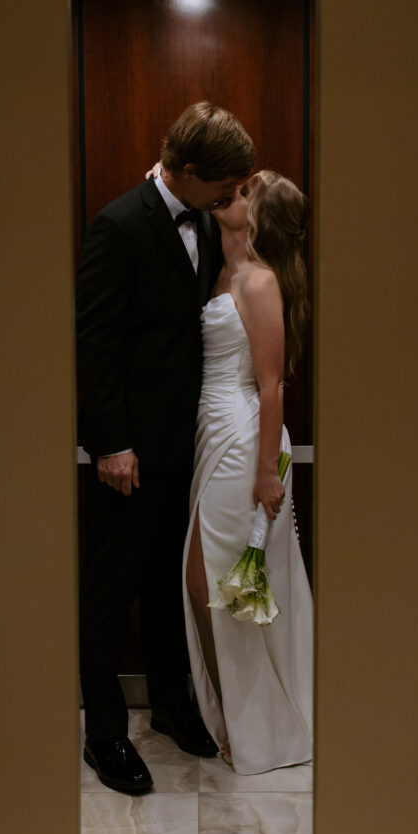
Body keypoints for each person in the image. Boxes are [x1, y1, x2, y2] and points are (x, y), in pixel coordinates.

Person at [76, 102, 256, 794]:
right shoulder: (118, 225)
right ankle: (104, 735)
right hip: (129, 454)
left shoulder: (206, 221)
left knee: (165, 584)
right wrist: (112, 444)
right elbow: (95, 343)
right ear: (185, 169)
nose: (230, 196)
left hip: (189, 444)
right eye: (223, 185)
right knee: (110, 590)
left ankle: (173, 706)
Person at [183, 169, 314, 775]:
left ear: (256, 217)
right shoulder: (223, 270)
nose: (229, 195)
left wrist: (267, 472)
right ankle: (243, 719)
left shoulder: (259, 282)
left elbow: (271, 386)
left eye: (241, 193)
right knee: (210, 581)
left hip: (244, 441)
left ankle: (260, 729)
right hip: (214, 435)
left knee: (222, 585)